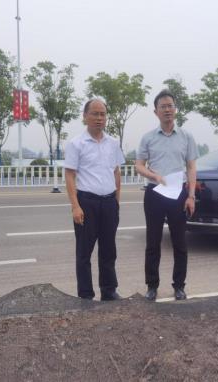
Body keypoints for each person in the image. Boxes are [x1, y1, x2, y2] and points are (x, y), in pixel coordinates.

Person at [135, 89, 198, 301]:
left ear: (175, 109)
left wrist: (191, 196)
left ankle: (179, 285)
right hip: (155, 192)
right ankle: (152, 286)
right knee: (153, 242)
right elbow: (138, 165)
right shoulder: (148, 138)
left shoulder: (186, 137)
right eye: (163, 107)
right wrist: (153, 175)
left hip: (178, 193)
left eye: (170, 106)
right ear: (156, 112)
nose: (167, 110)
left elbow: (191, 167)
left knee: (180, 242)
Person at [64, 99, 125, 301]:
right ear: (85, 116)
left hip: (109, 203)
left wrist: (116, 202)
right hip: (86, 203)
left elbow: (116, 172)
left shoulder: (113, 143)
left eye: (103, 114)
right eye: (95, 114)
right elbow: (70, 175)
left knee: (108, 250)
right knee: (84, 253)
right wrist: (75, 206)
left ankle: (109, 290)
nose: (99, 118)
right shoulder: (76, 144)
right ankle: (85, 295)